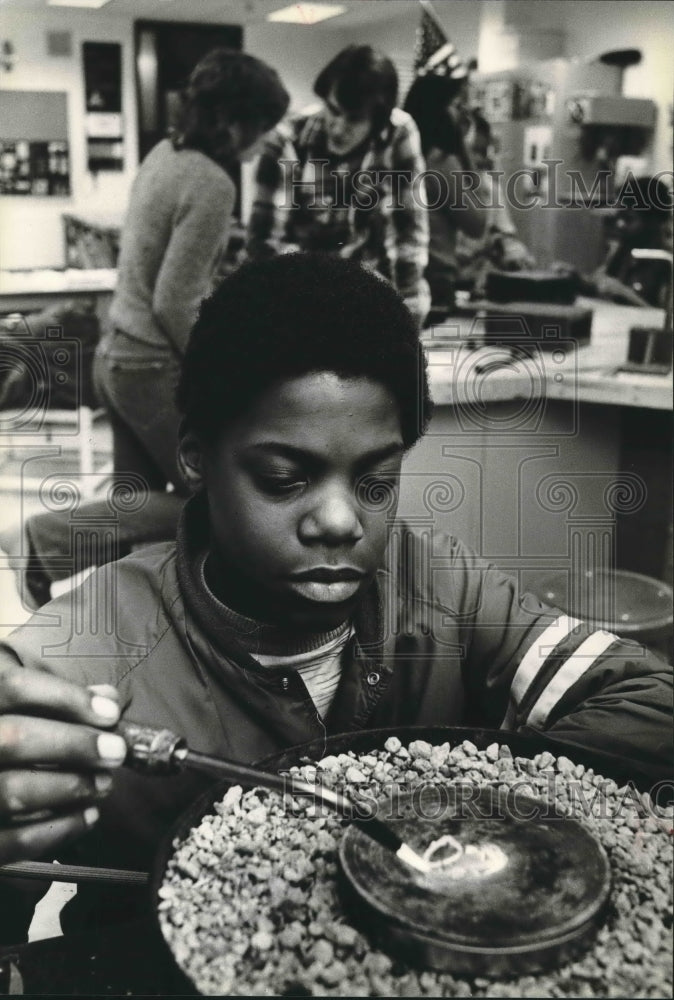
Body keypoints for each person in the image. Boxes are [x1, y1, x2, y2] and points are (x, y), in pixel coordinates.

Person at [0, 254, 671, 942]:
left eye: (376, 483)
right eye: (285, 478)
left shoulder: (437, 583)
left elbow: (648, 700)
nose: (341, 521)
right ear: (196, 459)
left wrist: (473, 817)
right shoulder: (88, 660)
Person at [4, 48, 290, 609]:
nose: (262, 144)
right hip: (151, 361)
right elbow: (175, 301)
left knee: (133, 505)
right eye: (260, 128)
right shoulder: (213, 182)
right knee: (218, 495)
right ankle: (41, 540)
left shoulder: (163, 155)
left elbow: (163, 274)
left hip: (117, 356)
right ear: (233, 121)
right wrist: (224, 370)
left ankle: (119, 610)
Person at [245, 44, 430, 328]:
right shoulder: (287, 140)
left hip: (369, 301)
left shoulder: (398, 133)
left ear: (378, 119)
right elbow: (265, 245)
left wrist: (408, 312)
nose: (338, 126)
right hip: (297, 302)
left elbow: (408, 230)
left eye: (354, 119)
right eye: (333, 110)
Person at [403, 72, 488, 320]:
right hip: (435, 279)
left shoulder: (405, 157)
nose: (462, 115)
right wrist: (462, 147)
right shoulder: (440, 162)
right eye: (456, 105)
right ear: (436, 110)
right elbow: (477, 223)